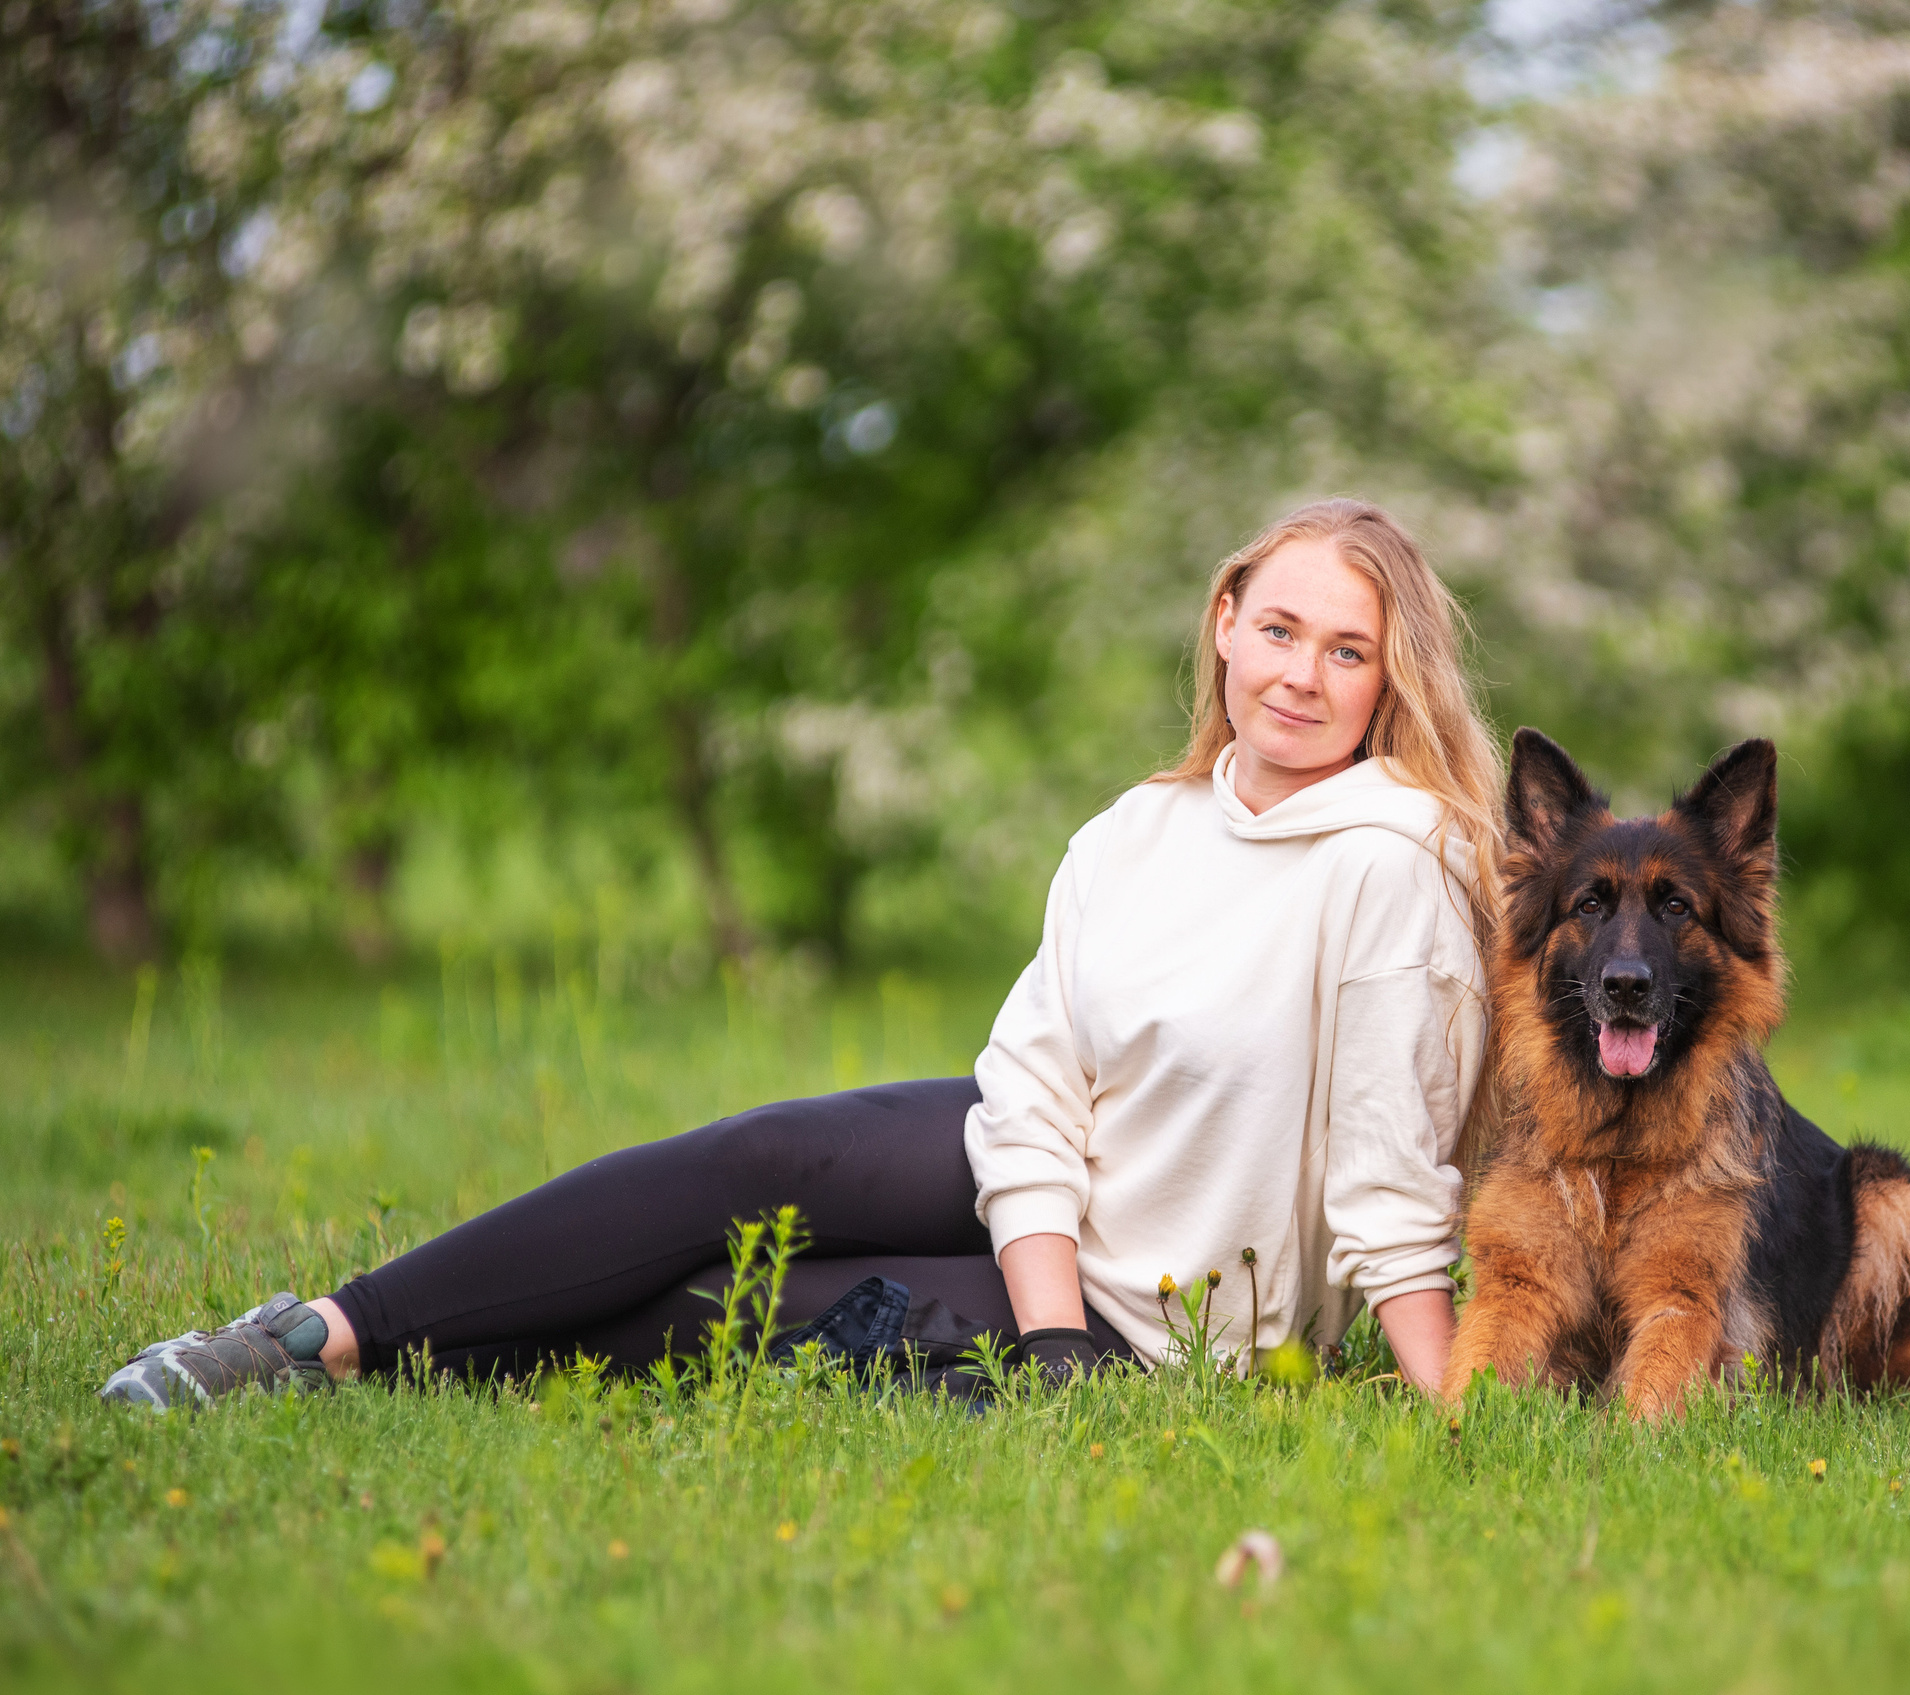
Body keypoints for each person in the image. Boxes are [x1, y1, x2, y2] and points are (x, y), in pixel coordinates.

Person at [101, 498, 1503, 1407]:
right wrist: (1045, 1319)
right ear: (1222, 620)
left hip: (1176, 1303)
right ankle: (310, 1335)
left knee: (723, 1309)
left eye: (1345, 652)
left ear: (1391, 684)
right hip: (1053, 1200)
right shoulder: (1139, 830)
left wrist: (1449, 1411)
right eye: (1278, 630)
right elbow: (1033, 1092)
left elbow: (1392, 1175)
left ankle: (362, 1376)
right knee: (756, 1163)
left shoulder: (1391, 862)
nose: (1299, 678)